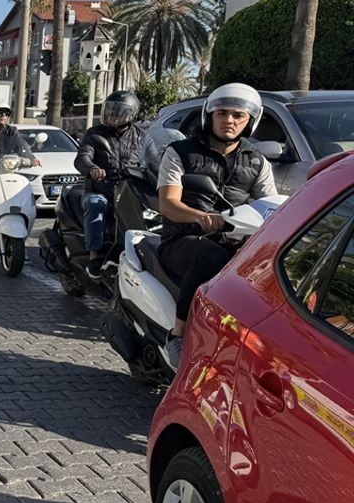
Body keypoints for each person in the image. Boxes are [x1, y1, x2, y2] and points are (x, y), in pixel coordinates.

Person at [156, 83, 277, 365]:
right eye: (222, 113)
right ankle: (177, 334)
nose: (229, 120)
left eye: (238, 115)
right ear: (209, 115)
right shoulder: (180, 152)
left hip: (235, 241)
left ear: (250, 120)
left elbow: (270, 206)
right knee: (212, 257)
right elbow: (168, 203)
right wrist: (202, 218)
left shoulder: (257, 161)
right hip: (183, 240)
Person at [73, 90, 159, 278]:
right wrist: (93, 169)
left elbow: (154, 163)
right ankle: (94, 256)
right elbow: (82, 158)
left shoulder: (142, 137)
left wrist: (166, 178)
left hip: (130, 192)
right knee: (94, 204)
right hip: (101, 189)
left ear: (130, 114)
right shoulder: (95, 134)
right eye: (110, 109)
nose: (112, 114)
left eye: (117, 111)